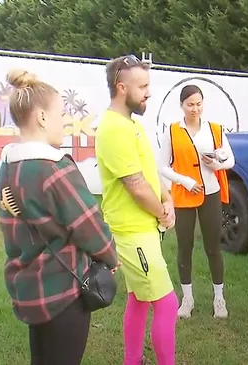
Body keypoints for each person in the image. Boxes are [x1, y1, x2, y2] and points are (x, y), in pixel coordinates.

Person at [0, 68, 120, 365]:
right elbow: (89, 224)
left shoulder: (9, 166)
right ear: (41, 117)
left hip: (29, 287)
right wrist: (111, 258)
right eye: (61, 114)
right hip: (63, 290)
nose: (65, 121)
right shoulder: (54, 166)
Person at [95, 54, 178, 365]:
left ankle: (133, 361)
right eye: (142, 86)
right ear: (121, 88)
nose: (148, 92)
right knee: (166, 304)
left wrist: (167, 198)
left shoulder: (132, 124)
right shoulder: (113, 128)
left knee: (139, 299)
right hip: (132, 231)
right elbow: (135, 185)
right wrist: (162, 212)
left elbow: (150, 173)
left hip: (143, 228)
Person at [158, 84, 235, 319]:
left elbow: (229, 159)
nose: (195, 109)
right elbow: (161, 166)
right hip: (184, 195)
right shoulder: (172, 131)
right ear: (181, 105)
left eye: (198, 104)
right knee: (185, 246)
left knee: (213, 247)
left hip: (211, 194)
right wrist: (185, 181)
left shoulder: (214, 129)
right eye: (190, 104)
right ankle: (187, 299)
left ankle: (219, 299)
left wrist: (217, 164)